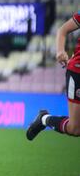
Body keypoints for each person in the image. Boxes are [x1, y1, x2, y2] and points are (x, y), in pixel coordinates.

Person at [26, 11, 80, 140]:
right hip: (78, 72)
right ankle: (44, 119)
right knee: (75, 129)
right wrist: (60, 50)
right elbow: (62, 30)